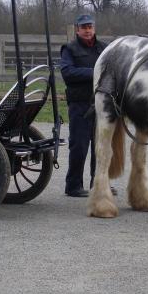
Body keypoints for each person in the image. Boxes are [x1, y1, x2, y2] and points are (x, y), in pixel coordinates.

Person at [60, 14, 108, 197]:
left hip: (101, 103)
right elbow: (68, 72)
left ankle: (99, 183)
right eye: (84, 27)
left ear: (94, 28)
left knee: (100, 146)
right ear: (77, 30)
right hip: (79, 104)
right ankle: (73, 186)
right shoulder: (69, 49)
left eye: (90, 27)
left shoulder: (104, 48)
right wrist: (95, 72)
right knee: (79, 146)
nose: (87, 30)